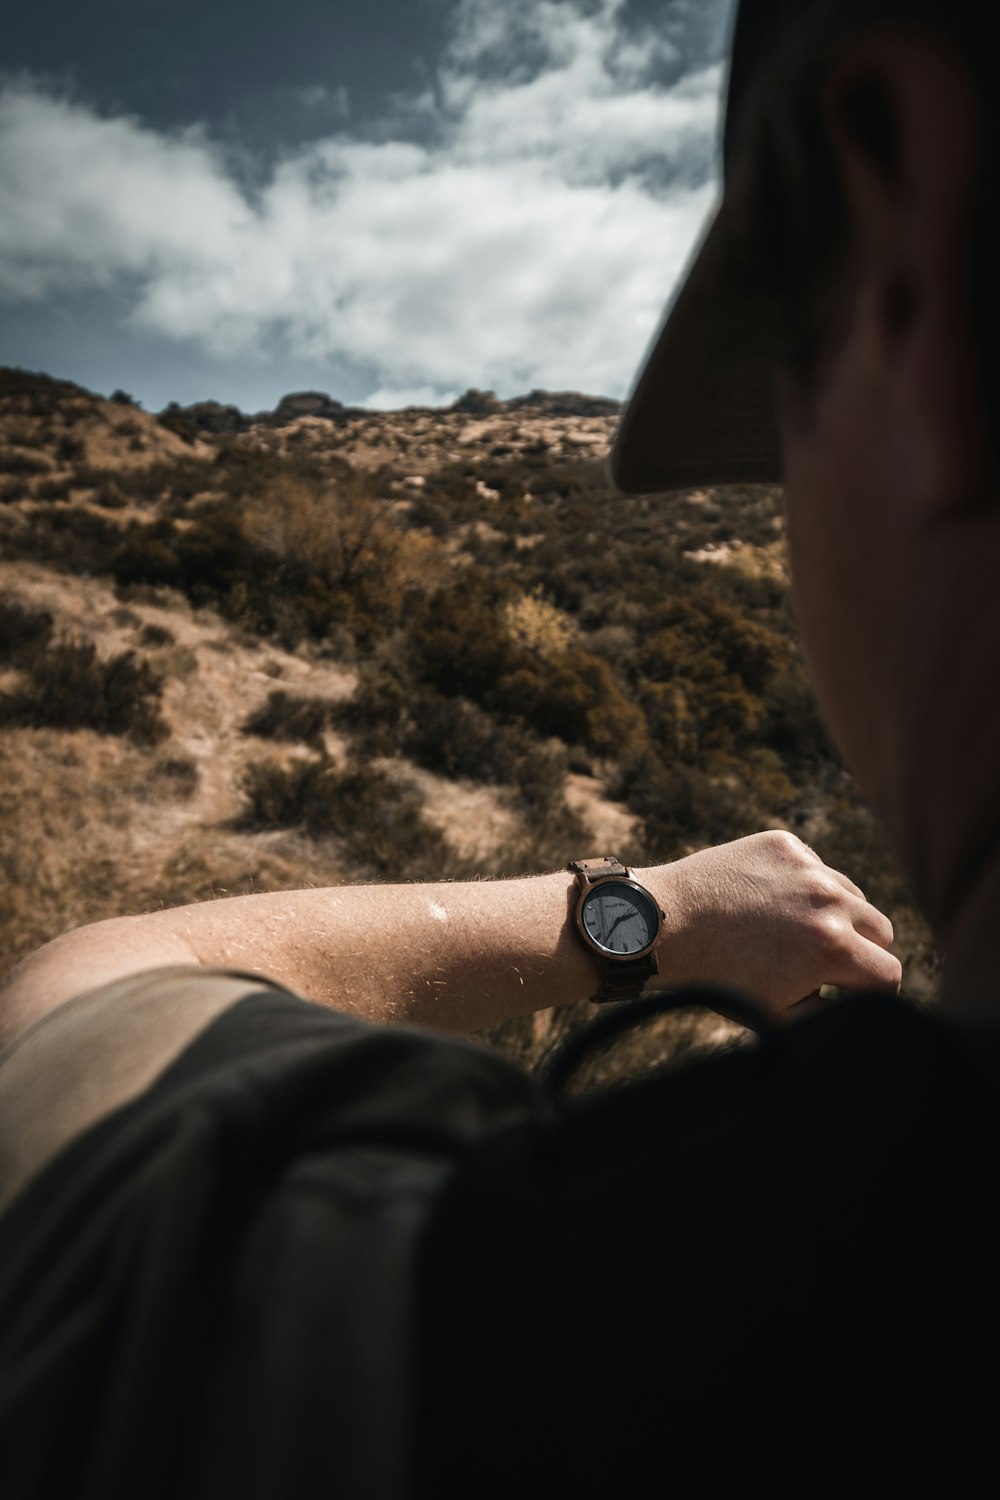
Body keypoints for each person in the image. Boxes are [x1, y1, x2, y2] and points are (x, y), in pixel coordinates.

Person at [0, 0, 994, 1493]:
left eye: (782, 421)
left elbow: (70, 1018)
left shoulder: (487, 1319)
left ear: (905, 236)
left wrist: (640, 915)